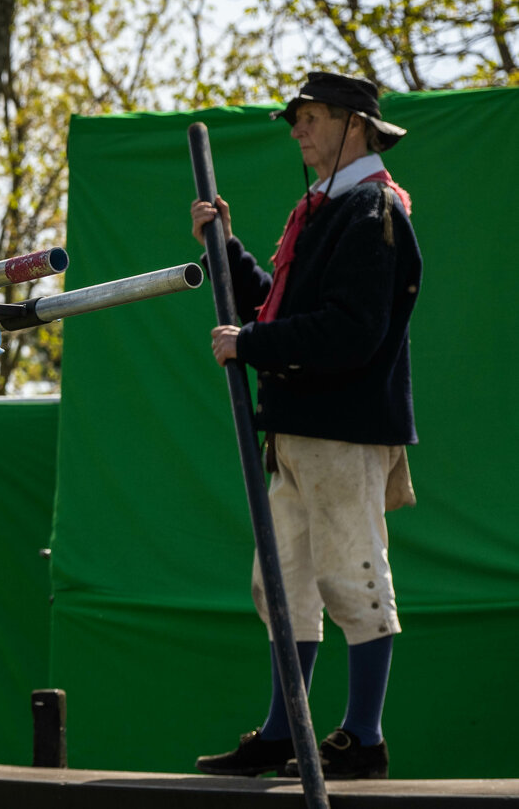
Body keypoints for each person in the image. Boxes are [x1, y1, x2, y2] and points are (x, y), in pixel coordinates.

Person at [190, 71, 421, 781]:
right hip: (296, 428)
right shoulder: (325, 211)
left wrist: (250, 345)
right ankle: (285, 730)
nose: (297, 130)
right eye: (296, 119)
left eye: (310, 117)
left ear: (355, 123)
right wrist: (225, 249)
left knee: (353, 574)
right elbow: (278, 312)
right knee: (283, 582)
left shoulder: (372, 212)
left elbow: (350, 332)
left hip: (343, 429)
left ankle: (363, 737)